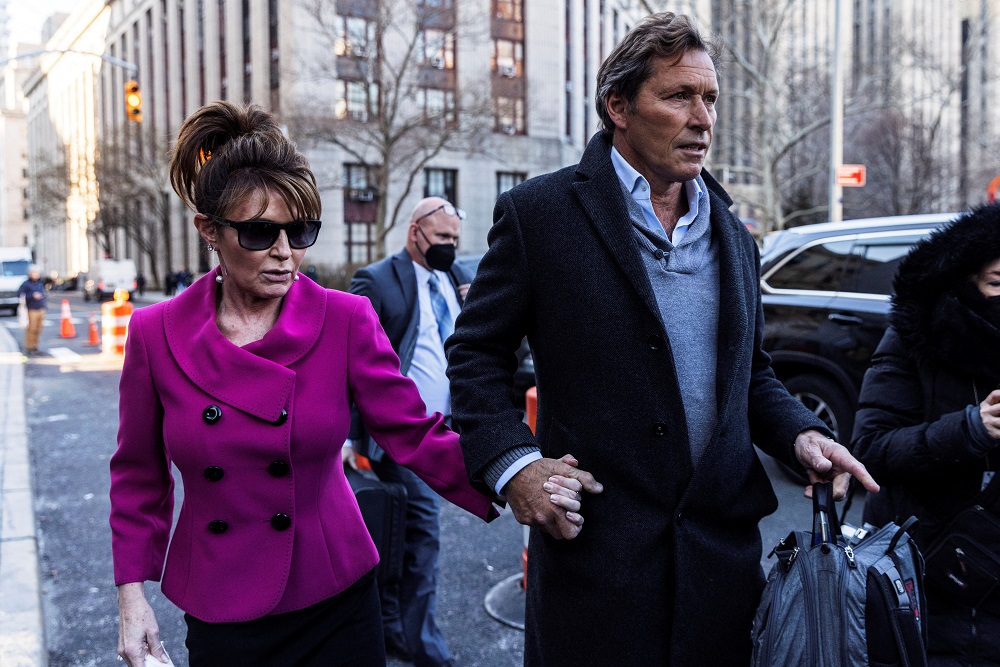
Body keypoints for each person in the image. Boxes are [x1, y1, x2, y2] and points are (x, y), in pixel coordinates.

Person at [446, 12, 879, 665]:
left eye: (710, 99)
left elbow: (750, 377)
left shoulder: (735, 237)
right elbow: (476, 354)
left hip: (721, 579)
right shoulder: (541, 215)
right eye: (679, 96)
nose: (702, 117)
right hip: (596, 577)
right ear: (618, 105)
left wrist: (800, 433)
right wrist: (515, 465)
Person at [108, 101, 500, 667]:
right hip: (223, 602)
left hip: (335, 590)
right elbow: (139, 475)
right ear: (209, 231)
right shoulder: (155, 333)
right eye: (260, 232)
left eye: (300, 231)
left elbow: (412, 431)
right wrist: (132, 598)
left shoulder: (344, 318)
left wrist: (516, 476)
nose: (285, 252)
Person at [852, 204, 1000, 665]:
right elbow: (871, 448)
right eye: (997, 283)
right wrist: (971, 429)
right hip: (928, 584)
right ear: (963, 280)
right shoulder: (917, 338)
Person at [346, 197, 470, 667]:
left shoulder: (456, 279)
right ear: (415, 231)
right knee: (422, 531)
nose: (449, 247)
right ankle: (425, 648)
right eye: (441, 238)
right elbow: (352, 363)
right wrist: (350, 439)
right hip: (398, 436)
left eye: (455, 240)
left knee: (399, 536)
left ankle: (392, 631)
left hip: (446, 432)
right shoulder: (377, 280)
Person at [18, 265, 47, 356]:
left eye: (36, 273)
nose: (35, 275)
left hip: (40, 308)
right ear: (30, 274)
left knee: (38, 329)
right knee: (31, 329)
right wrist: (31, 296)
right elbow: (20, 294)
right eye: (33, 273)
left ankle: (35, 347)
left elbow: (43, 293)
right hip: (31, 309)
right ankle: (29, 347)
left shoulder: (39, 283)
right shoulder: (25, 284)